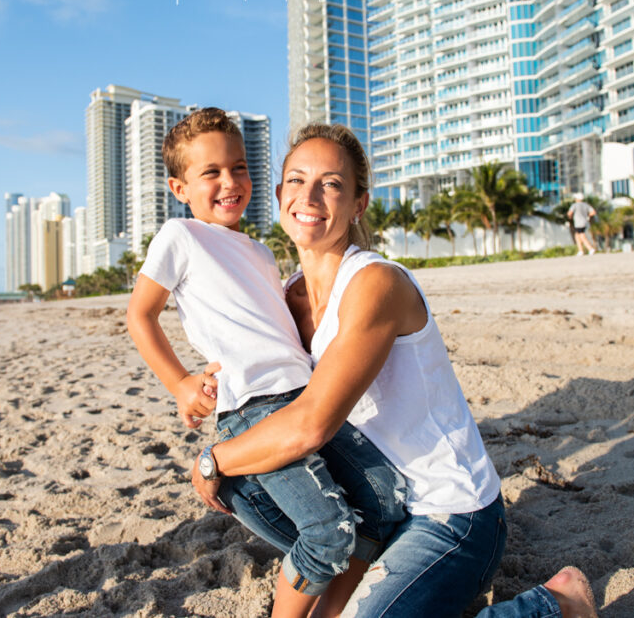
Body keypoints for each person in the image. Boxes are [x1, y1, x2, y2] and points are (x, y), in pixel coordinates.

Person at [190, 123, 597, 618]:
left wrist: (211, 461)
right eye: (296, 180)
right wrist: (207, 379)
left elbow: (311, 424)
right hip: (376, 508)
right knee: (246, 476)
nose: (310, 195)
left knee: (235, 462)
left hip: (448, 513)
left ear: (358, 204)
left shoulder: (375, 284)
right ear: (279, 195)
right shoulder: (284, 297)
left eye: (332, 183)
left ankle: (557, 605)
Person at [125, 109, 407, 618]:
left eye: (239, 167)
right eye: (210, 173)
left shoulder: (258, 250)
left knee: (386, 499)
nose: (229, 182)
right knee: (329, 530)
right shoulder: (179, 237)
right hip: (254, 405)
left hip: (303, 398)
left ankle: (332, 600)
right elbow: (140, 314)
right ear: (179, 187)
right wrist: (181, 383)